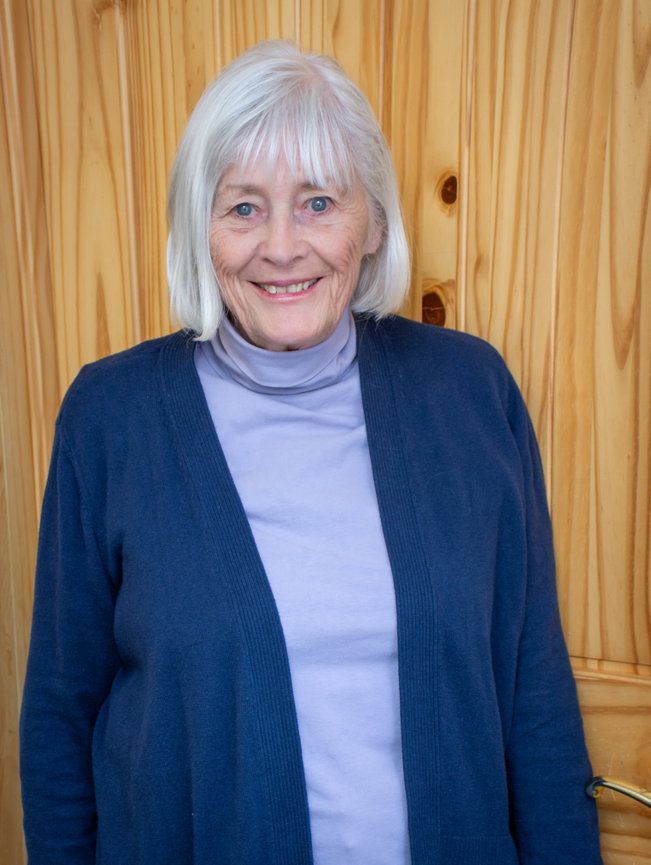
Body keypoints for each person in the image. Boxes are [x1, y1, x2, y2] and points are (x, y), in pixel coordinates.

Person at [20, 40, 603, 865]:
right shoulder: (111, 418)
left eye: (319, 202)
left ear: (370, 223)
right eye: (244, 208)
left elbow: (533, 692)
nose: (283, 246)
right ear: (201, 226)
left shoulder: (470, 394)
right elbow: (59, 711)